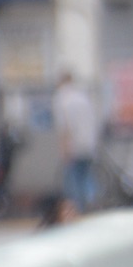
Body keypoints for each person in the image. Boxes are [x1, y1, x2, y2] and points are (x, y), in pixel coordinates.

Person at [52, 70, 99, 222]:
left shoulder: (62, 99)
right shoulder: (82, 97)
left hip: (74, 144)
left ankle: (78, 209)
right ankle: (92, 201)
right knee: (86, 175)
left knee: (73, 178)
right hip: (89, 143)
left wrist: (64, 149)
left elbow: (65, 127)